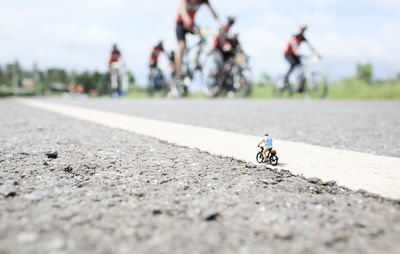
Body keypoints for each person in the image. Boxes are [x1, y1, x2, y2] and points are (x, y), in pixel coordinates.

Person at [175, 0, 223, 80]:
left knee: (203, 35)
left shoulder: (204, 1)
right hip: (181, 24)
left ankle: (198, 60)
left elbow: (214, 14)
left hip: (191, 24)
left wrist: (222, 24)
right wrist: (187, 21)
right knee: (182, 46)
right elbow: (182, 10)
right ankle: (178, 74)